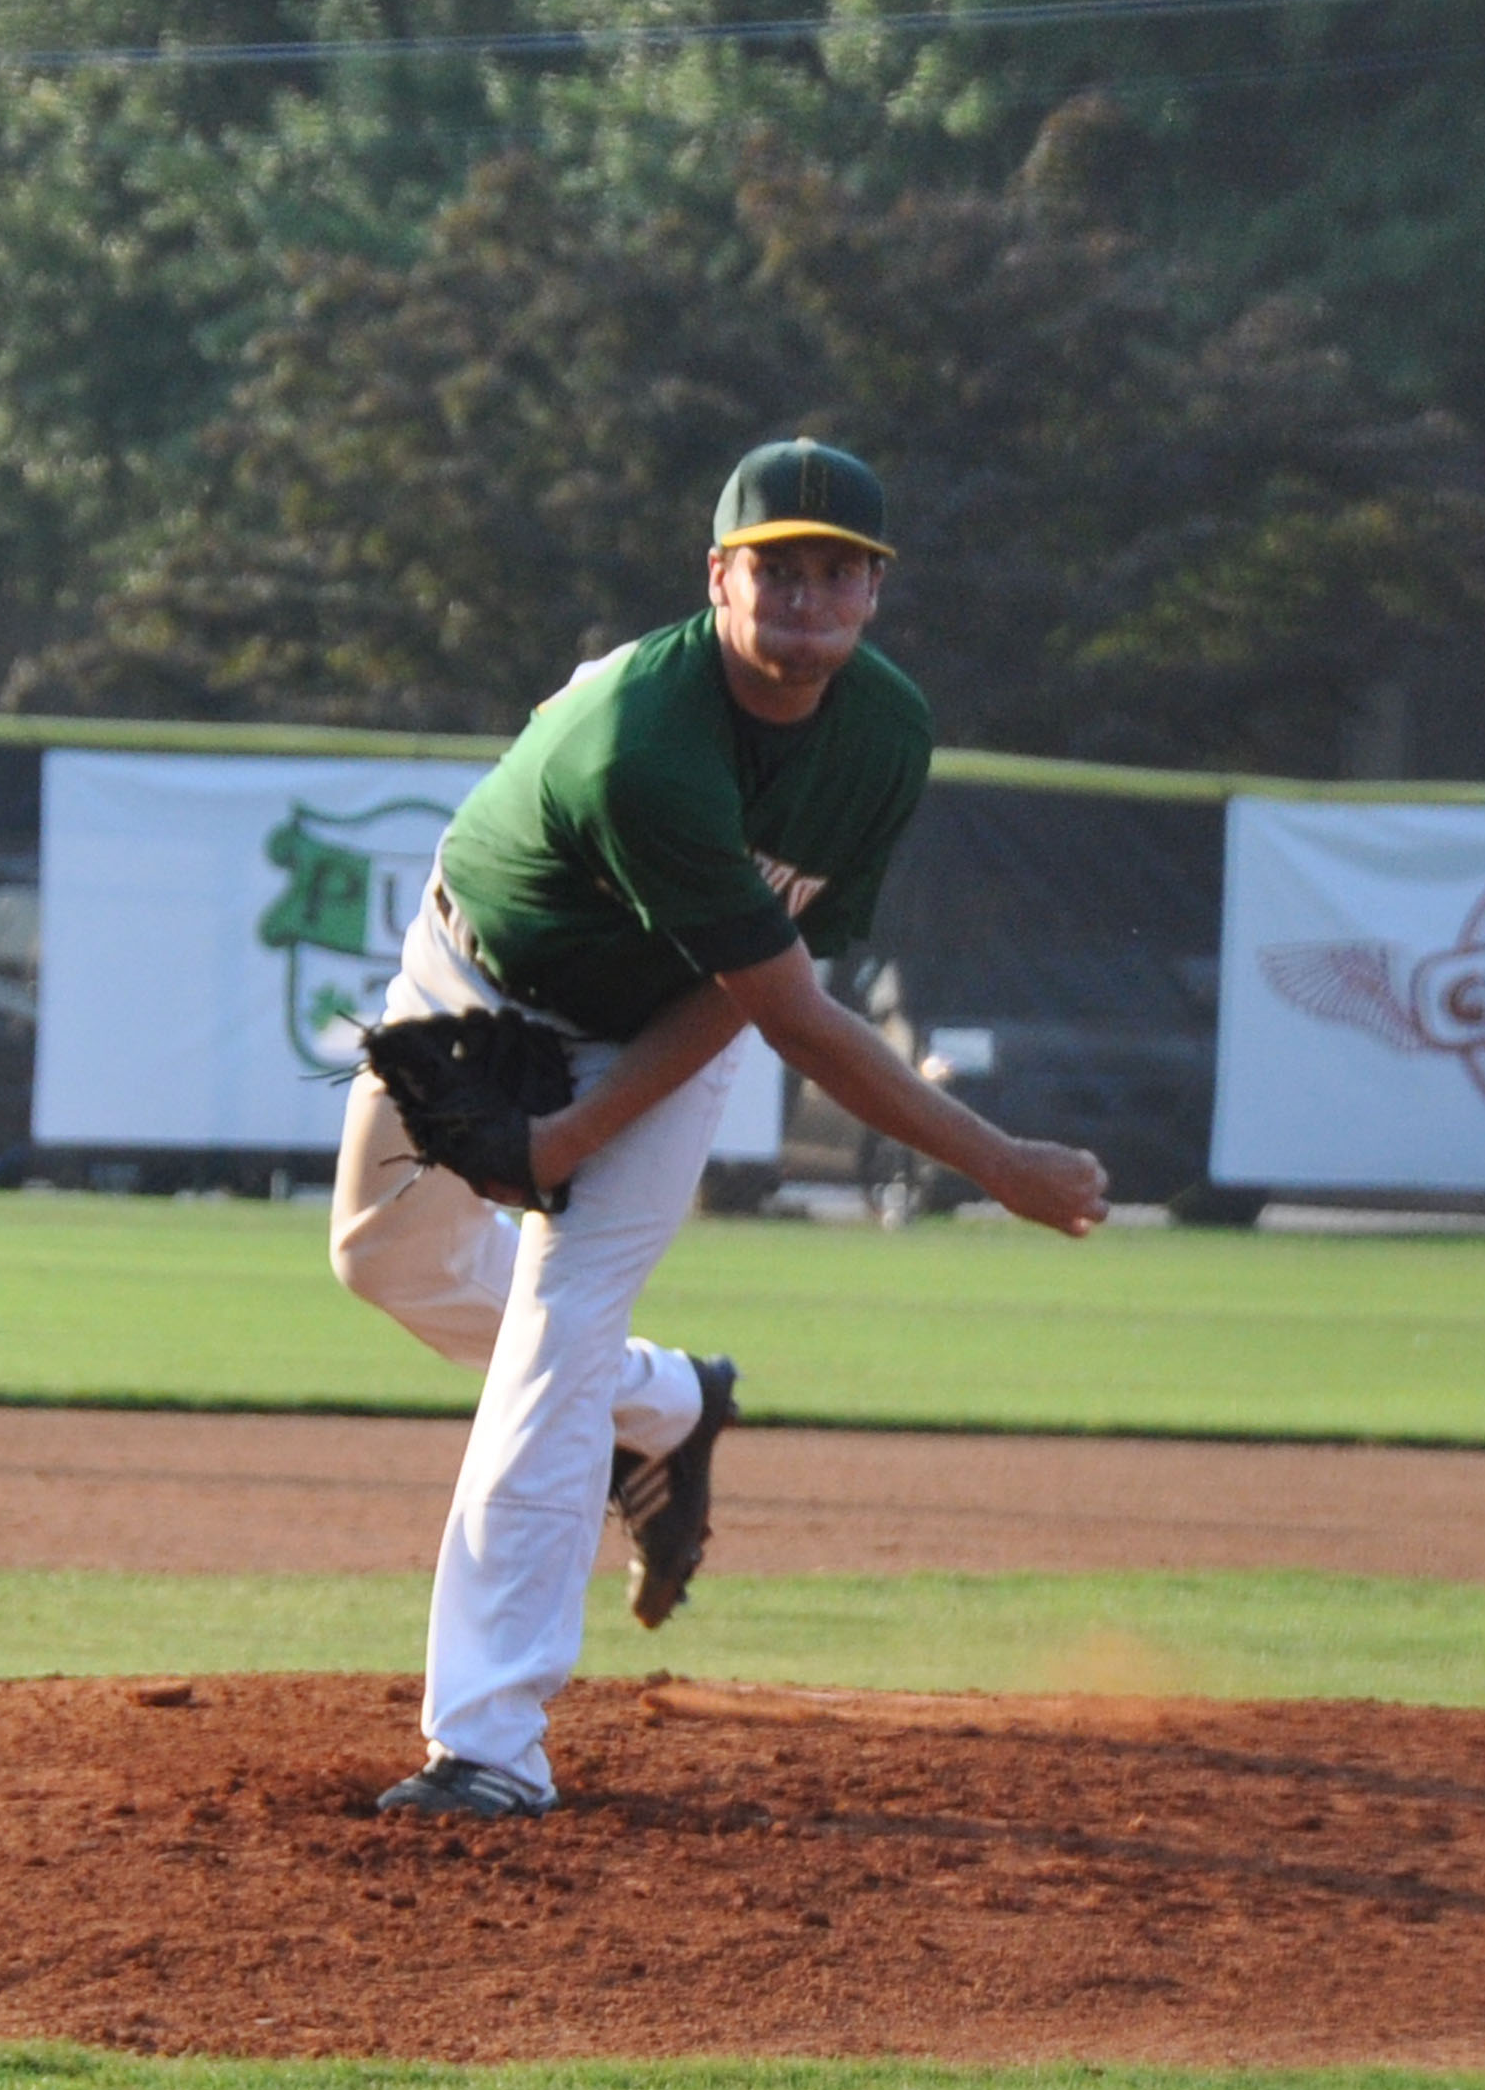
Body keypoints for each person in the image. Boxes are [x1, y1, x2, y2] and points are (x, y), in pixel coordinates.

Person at [333, 439, 1113, 1820]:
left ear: (871, 593)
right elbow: (799, 1011)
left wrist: (574, 1141)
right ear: (718, 579)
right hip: (476, 984)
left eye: (836, 569)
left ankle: (488, 1746)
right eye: (776, 566)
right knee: (383, 1264)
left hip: (672, 1029)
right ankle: (673, 1406)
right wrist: (999, 1162)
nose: (806, 594)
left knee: (554, 1336)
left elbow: (772, 998)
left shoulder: (884, 738)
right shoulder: (646, 737)